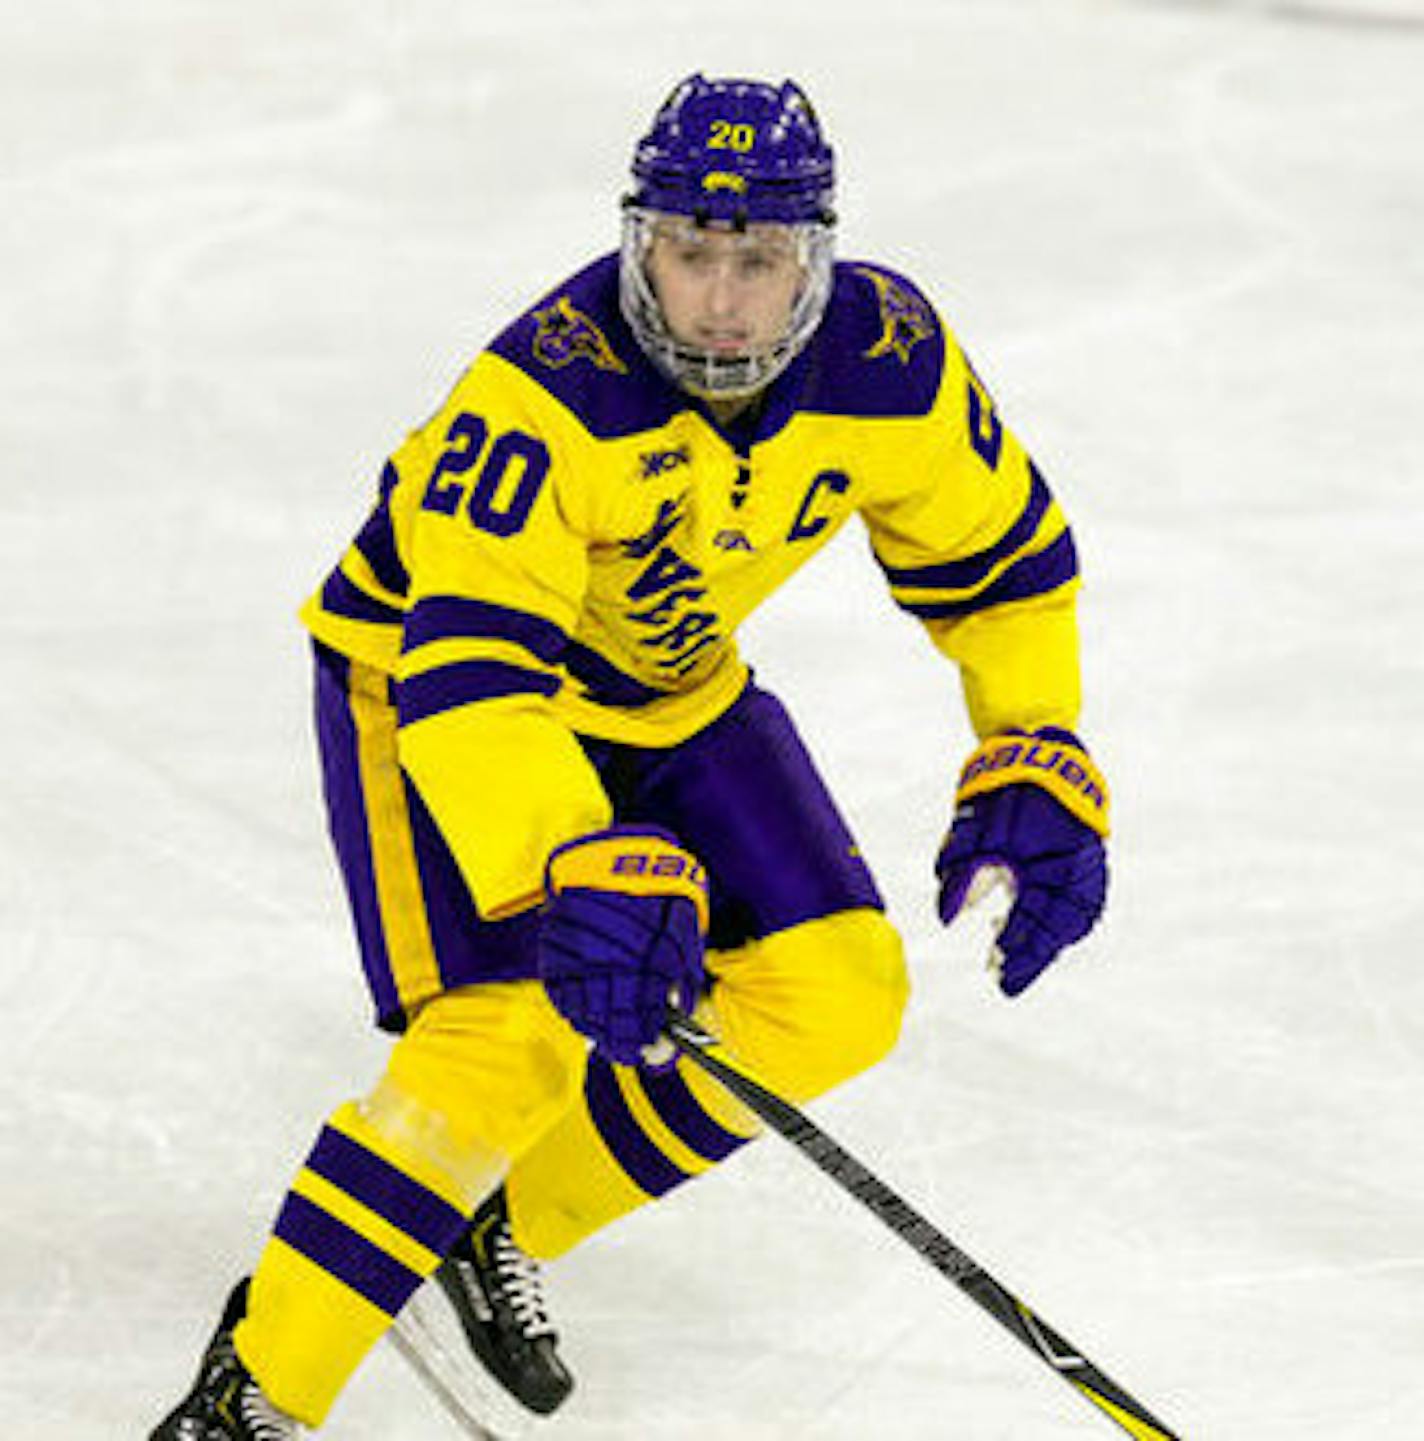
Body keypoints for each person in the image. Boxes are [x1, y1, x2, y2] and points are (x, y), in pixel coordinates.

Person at [151, 73, 1110, 1439]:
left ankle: (488, 1221)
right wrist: (568, 854)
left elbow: (1003, 562)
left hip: (669, 688)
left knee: (838, 990)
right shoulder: (540, 395)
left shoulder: (888, 359)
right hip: (430, 688)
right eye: (690, 251)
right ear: (638, 241)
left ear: (816, 260)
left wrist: (1034, 738)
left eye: (759, 259)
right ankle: (258, 1391)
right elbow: (472, 677)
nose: (721, 296)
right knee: (505, 1035)